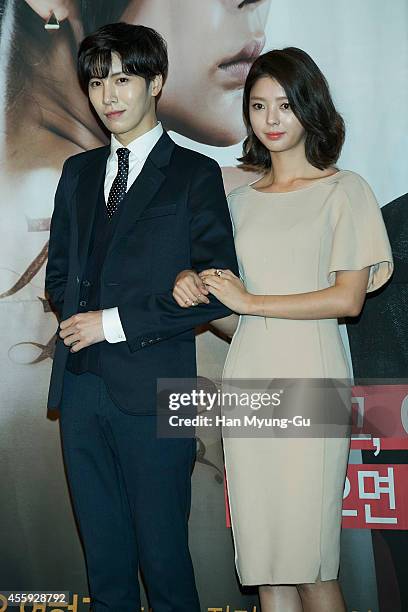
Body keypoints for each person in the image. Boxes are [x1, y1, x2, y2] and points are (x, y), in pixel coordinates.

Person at [173, 47, 393, 611]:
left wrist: (249, 298)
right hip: (248, 383)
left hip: (312, 381)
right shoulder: (238, 204)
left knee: (312, 565)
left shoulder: (346, 192)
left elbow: (347, 299)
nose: (272, 119)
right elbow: (236, 319)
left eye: (287, 105)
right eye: (258, 106)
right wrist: (201, 296)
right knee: (267, 567)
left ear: (310, 110)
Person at [45, 22, 238, 612]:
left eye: (123, 79)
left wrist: (116, 321)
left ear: (155, 83)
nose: (109, 95)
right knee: (104, 566)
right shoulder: (78, 174)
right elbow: (59, 275)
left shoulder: (194, 174)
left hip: (159, 393)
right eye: (98, 81)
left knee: (165, 562)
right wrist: (82, 321)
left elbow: (218, 289)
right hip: (79, 390)